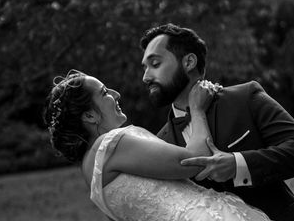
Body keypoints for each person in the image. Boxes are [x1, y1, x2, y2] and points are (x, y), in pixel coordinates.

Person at [140, 23, 294, 221]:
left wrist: (237, 165)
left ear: (189, 62)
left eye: (155, 64)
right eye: (145, 67)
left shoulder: (245, 98)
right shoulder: (159, 143)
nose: (146, 77)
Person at [45, 69, 274, 221]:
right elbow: (196, 160)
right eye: (104, 92)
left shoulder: (92, 176)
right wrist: (196, 109)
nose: (116, 94)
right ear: (90, 116)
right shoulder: (112, 143)